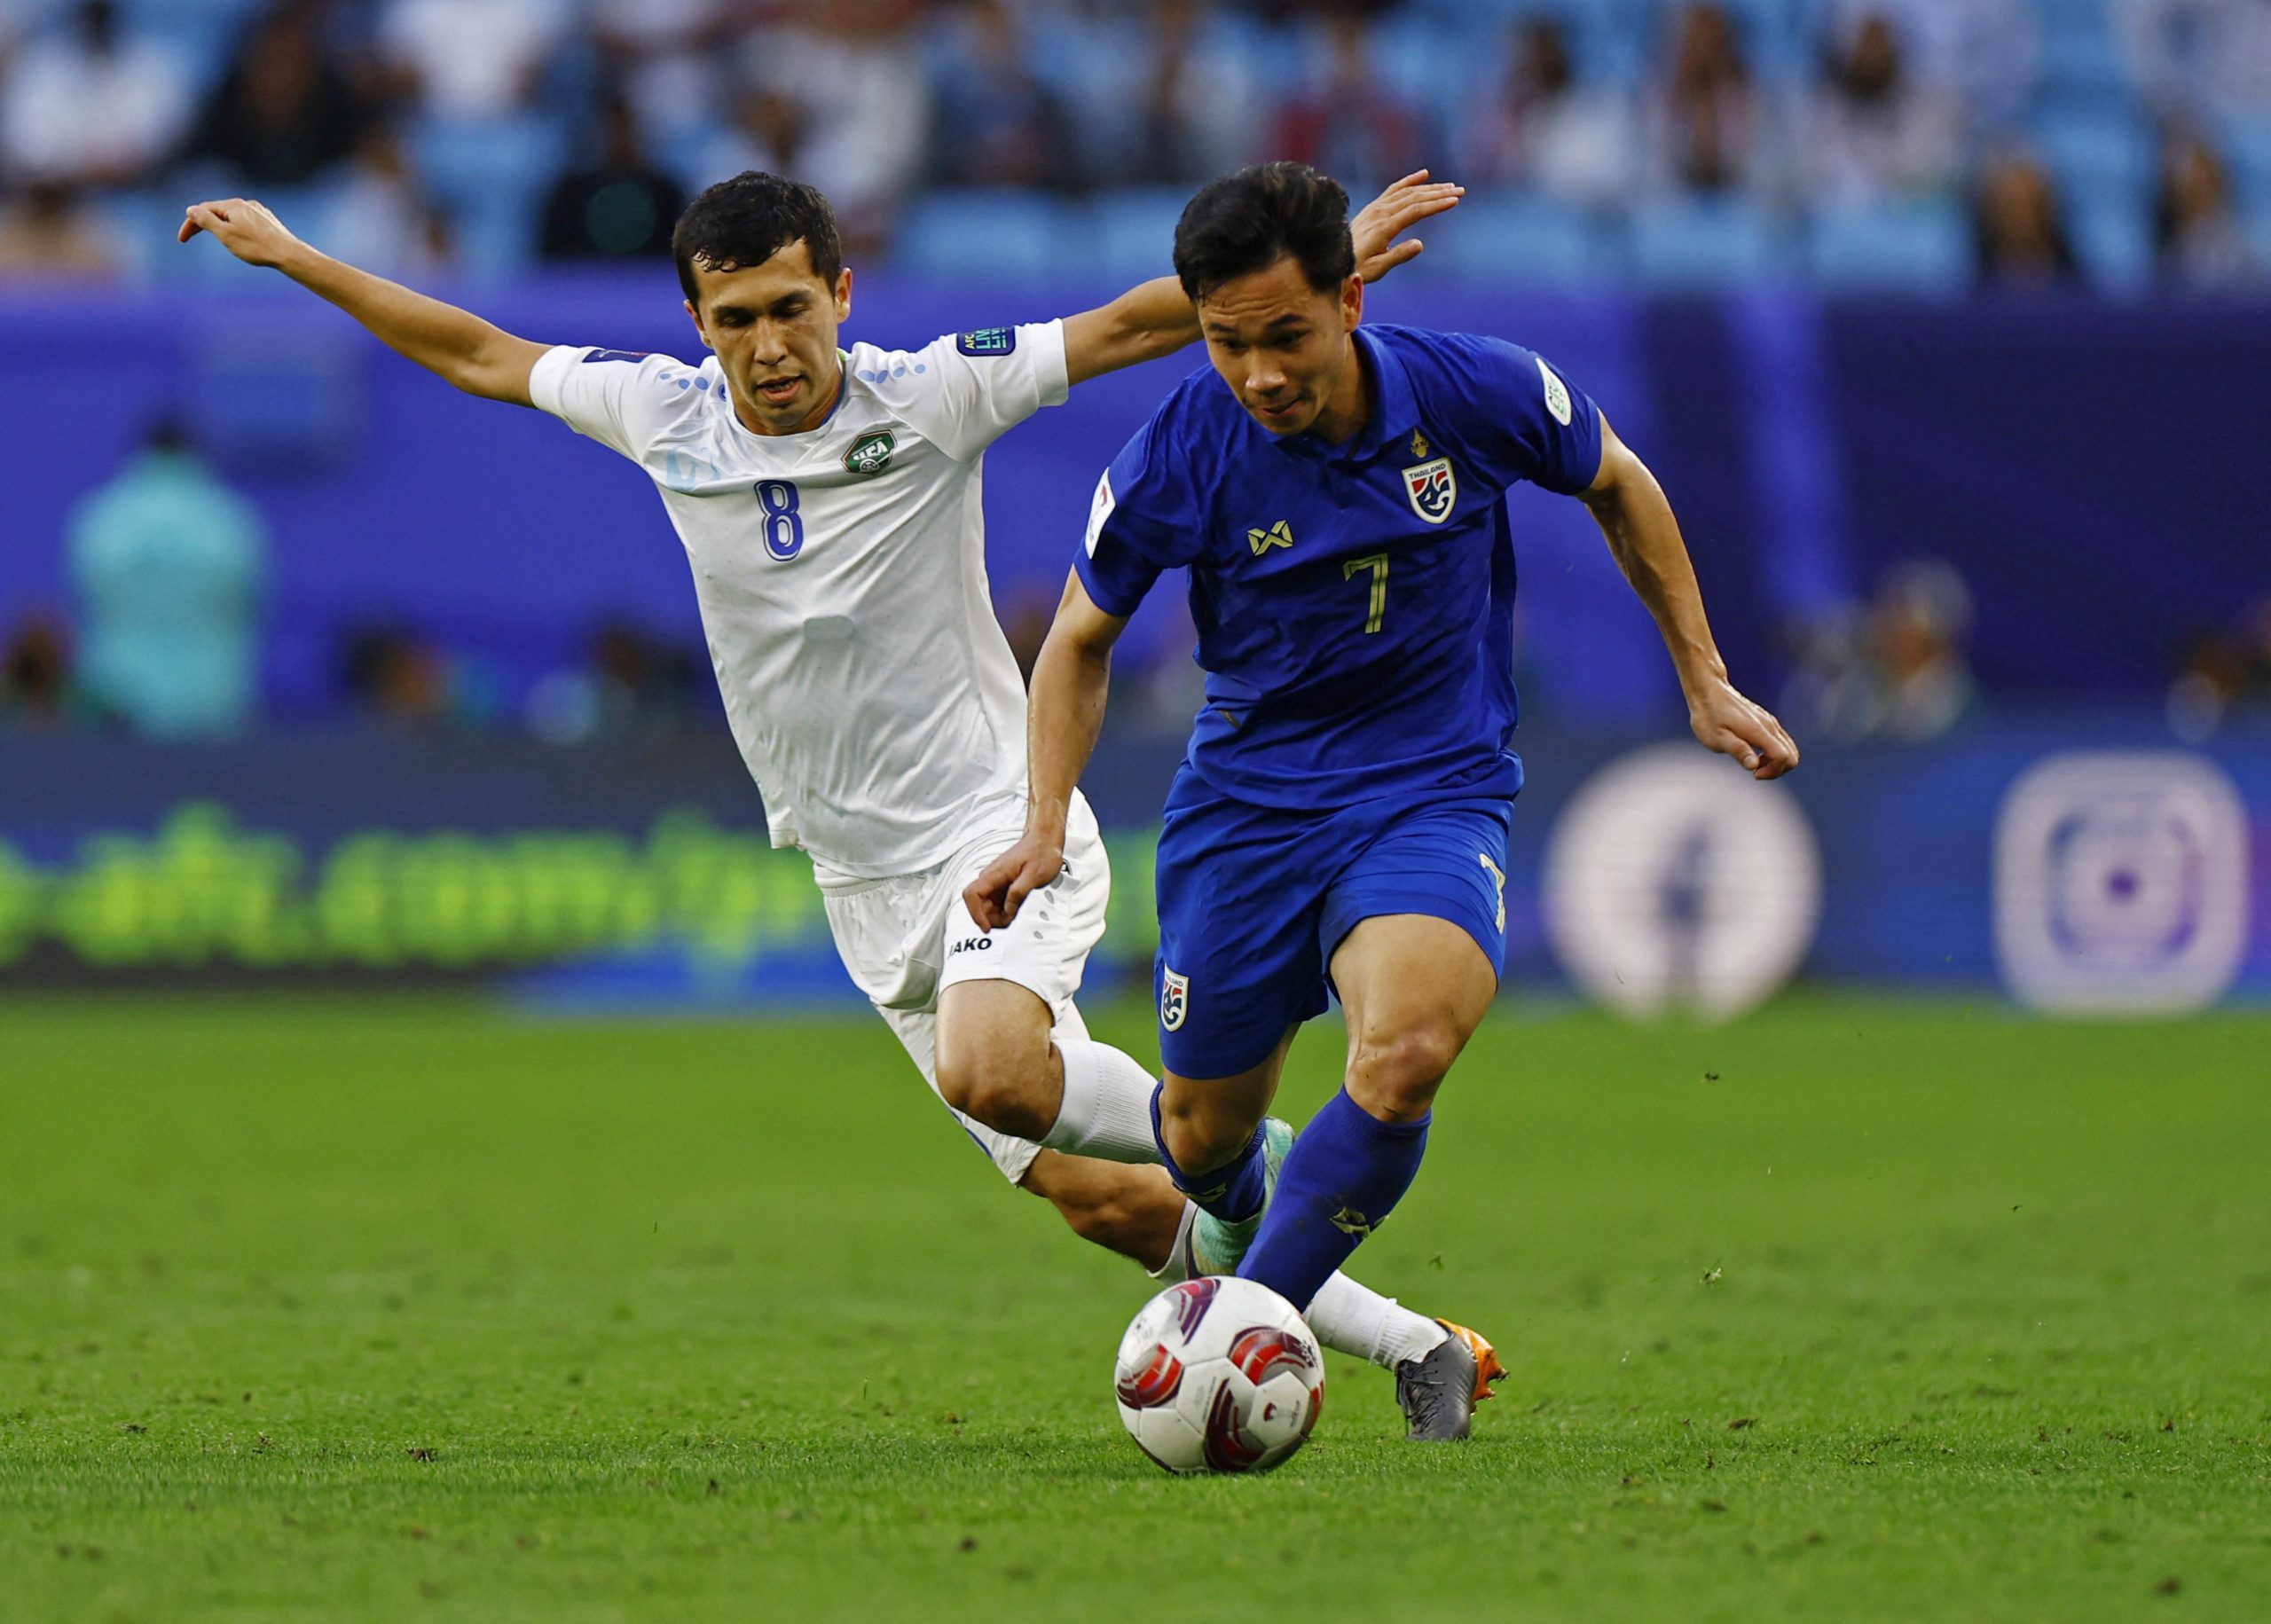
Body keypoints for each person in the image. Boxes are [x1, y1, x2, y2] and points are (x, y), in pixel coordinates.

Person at [177, 167, 1505, 1439]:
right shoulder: (662, 413)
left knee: (991, 1068)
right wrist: (296, 259)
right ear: (698, 324)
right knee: (1098, 1199)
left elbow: (1127, 323)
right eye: (738, 317)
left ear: (844, 294)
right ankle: (1412, 1340)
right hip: (855, 874)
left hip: (997, 821)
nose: (769, 344)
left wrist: (1320, 273)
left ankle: (1236, 1164)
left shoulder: (934, 396)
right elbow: (475, 351)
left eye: (792, 307)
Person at [970, 162, 1796, 1365]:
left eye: (1287, 338)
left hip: (1430, 788)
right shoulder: (1182, 450)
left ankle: (1239, 1327)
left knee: (1404, 1052)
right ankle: (1261, 1211)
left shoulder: (1475, 391)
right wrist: (1046, 820)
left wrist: (1704, 675)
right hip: (1246, 808)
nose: (1259, 376)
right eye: (1225, 344)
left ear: (1350, 303)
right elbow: (1078, 642)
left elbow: (1620, 480)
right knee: (1202, 1138)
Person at [68, 420, 268, 739]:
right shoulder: (228, 518)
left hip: (122, 698)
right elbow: (252, 607)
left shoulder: (105, 517)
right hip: (211, 696)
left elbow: (84, 603)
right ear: (197, 452)